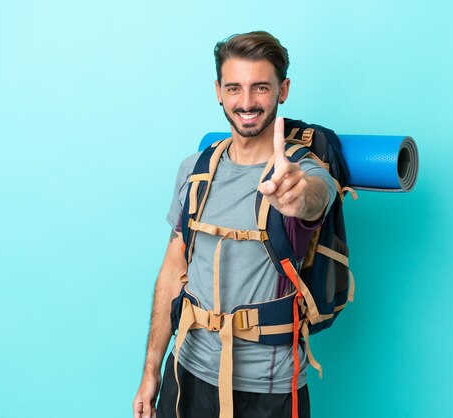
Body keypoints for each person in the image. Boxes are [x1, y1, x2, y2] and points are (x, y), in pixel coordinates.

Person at [133, 31, 337, 418]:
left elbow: (314, 196)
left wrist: (299, 194)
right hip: (187, 370)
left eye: (260, 87)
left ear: (283, 89)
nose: (246, 102)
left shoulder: (302, 171)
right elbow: (172, 273)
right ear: (218, 91)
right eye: (234, 88)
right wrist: (151, 372)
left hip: (267, 388)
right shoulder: (194, 170)